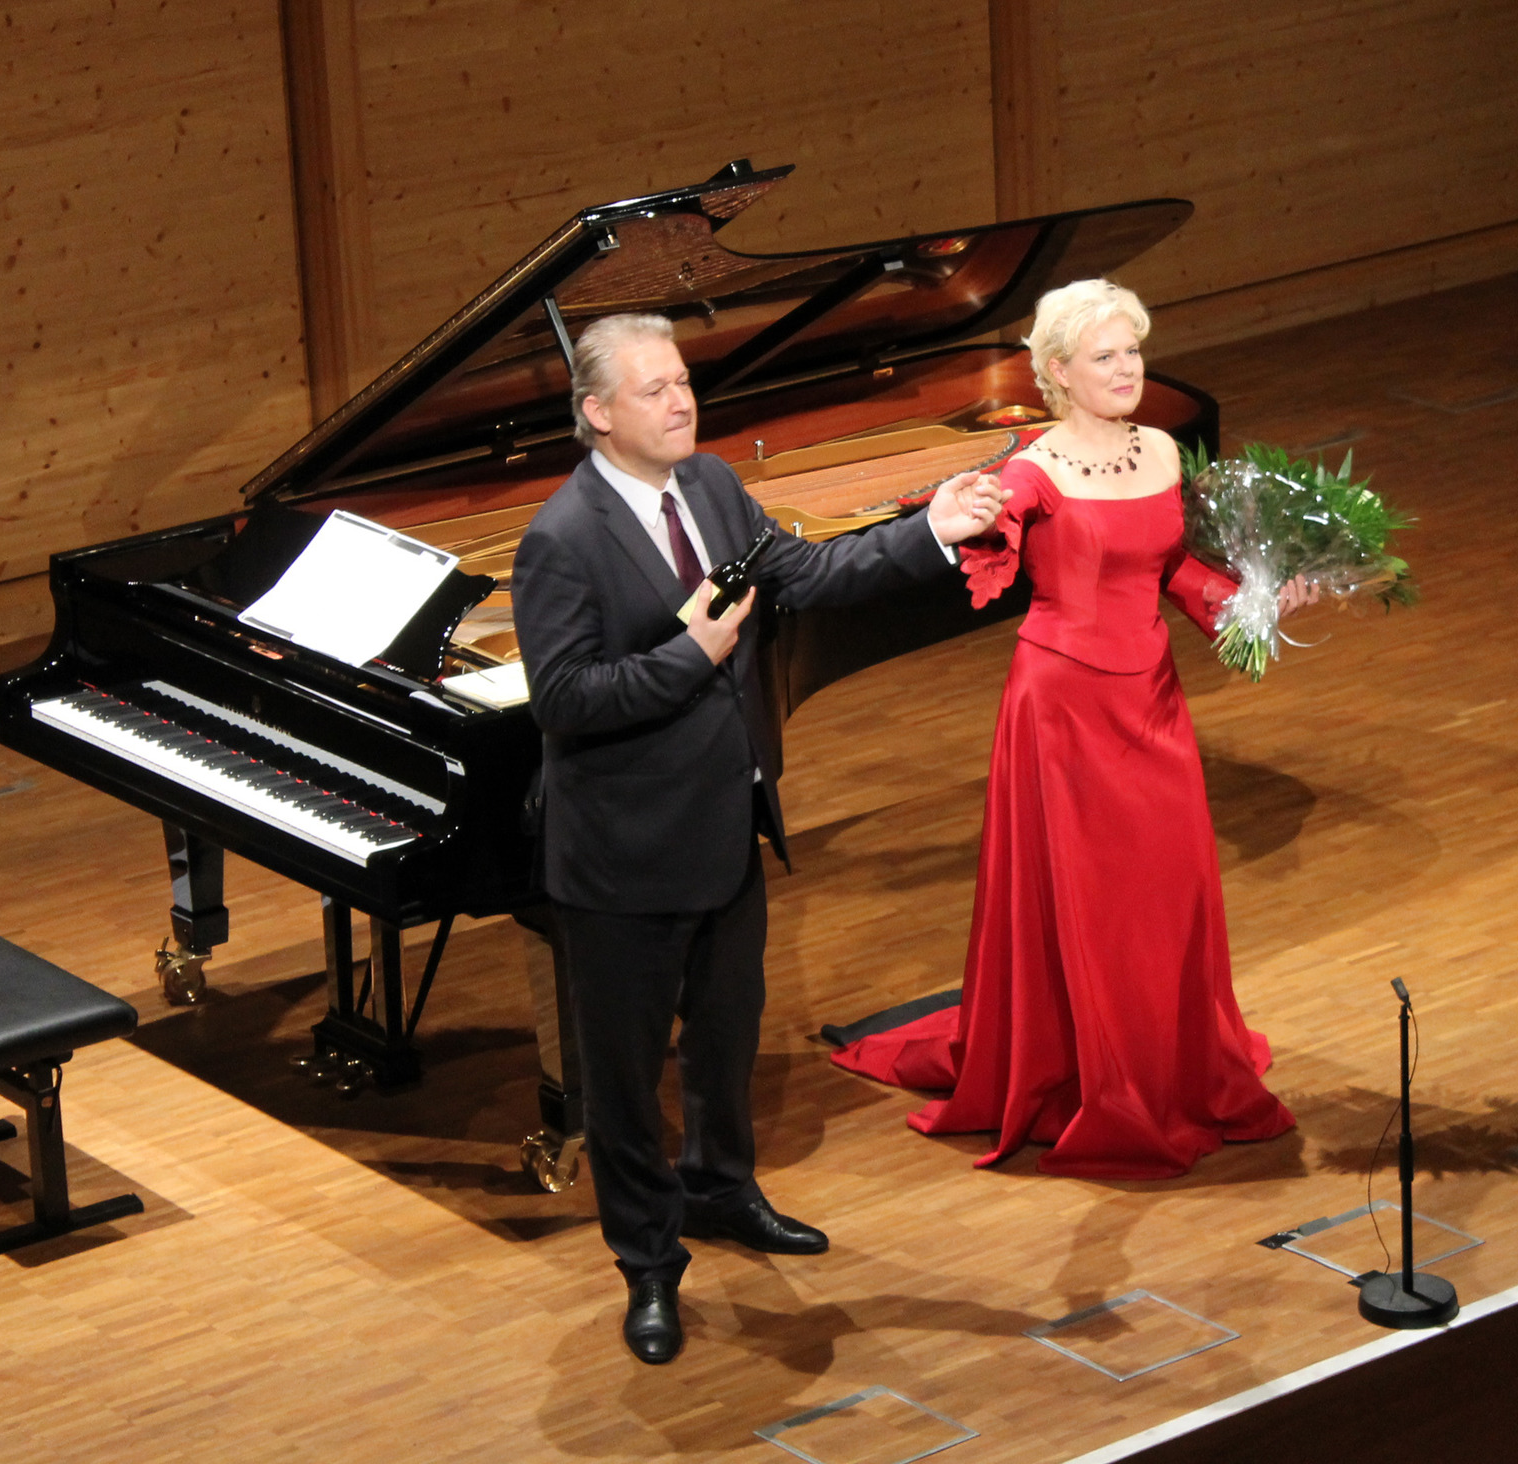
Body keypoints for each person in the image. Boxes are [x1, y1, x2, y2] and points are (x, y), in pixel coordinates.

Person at [510, 312, 1005, 1364]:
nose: (681, 401)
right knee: (627, 1079)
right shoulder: (559, 538)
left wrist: (931, 530)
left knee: (727, 1045)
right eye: (653, 390)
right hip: (622, 860)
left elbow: (811, 578)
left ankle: (722, 1194)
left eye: (682, 381)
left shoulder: (713, 489)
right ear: (597, 413)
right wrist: (688, 655)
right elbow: (561, 700)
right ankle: (646, 1265)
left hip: (724, 834)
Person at [831, 278, 1306, 1179]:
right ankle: (1096, 1077)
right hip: (1064, 710)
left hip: (1153, 699)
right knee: (1088, 900)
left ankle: (1168, 1059)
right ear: (1056, 372)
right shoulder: (1031, 472)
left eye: (1133, 351)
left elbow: (1176, 572)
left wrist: (1261, 600)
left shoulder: (1164, 451)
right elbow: (987, 529)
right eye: (1105, 356)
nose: (1127, 369)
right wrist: (973, 520)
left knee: (1166, 891)